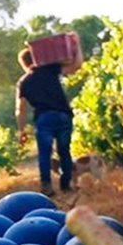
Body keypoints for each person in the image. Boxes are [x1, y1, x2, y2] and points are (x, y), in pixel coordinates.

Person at [15, 34, 84, 197]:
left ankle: (47, 186)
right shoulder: (49, 69)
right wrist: (77, 44)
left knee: (44, 154)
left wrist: (21, 130)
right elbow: (76, 66)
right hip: (62, 116)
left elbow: (20, 109)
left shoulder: (23, 82)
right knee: (64, 152)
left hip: (43, 118)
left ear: (24, 64)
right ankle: (66, 185)